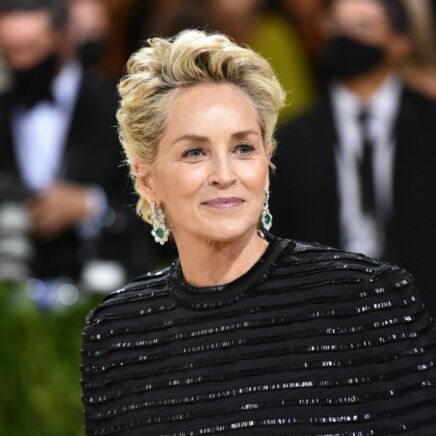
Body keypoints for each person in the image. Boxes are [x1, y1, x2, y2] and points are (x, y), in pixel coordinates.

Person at [81, 29, 436, 435]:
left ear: (267, 163)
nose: (225, 174)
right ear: (147, 181)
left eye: (243, 148)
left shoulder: (368, 299)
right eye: (195, 152)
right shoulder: (117, 333)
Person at [270, 0, 436, 316]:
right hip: (323, 311)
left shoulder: (429, 124)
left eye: (363, 26)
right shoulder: (291, 140)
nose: (346, 38)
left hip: (422, 309)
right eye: (336, 26)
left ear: (400, 42)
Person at [0, 0, 157, 283]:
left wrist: (90, 205)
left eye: (31, 48)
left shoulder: (120, 108)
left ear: (64, 39)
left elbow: (159, 208)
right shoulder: (4, 107)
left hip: (103, 281)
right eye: (10, 52)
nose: (22, 63)